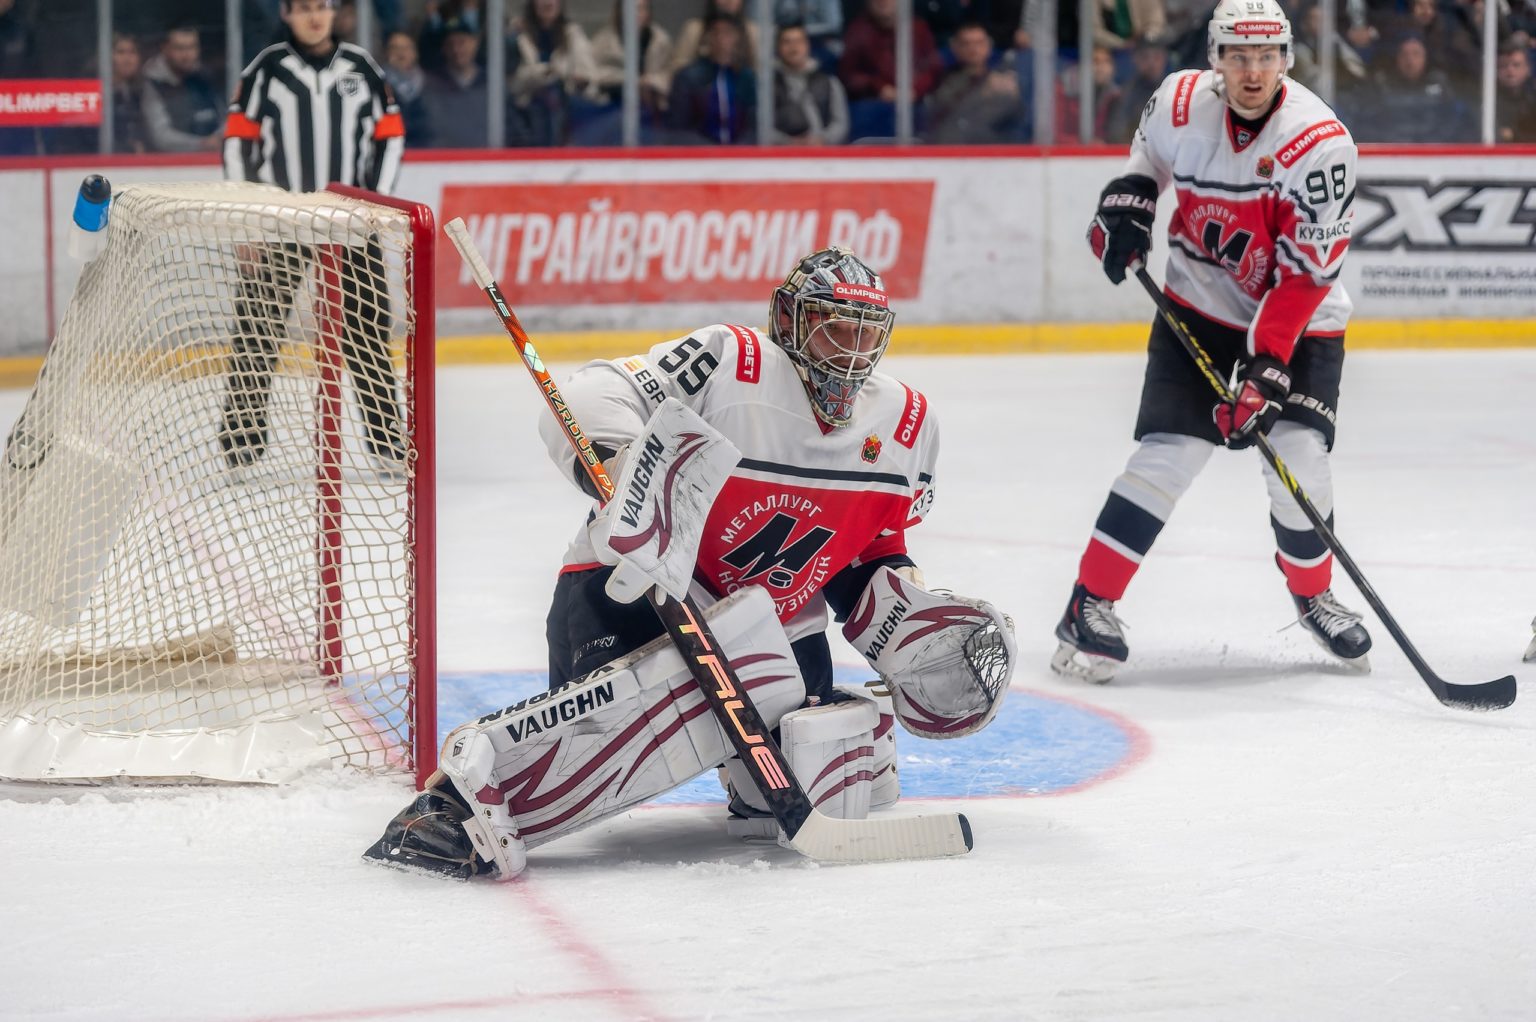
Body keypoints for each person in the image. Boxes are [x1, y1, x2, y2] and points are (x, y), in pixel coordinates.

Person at [363, 247, 1016, 879]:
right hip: (633, 594)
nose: (848, 350)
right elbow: (593, 395)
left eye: (863, 333)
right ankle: (456, 804)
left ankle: (764, 765)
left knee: (813, 778)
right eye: (830, 329)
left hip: (774, 630)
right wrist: (622, 467)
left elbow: (865, 550)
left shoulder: (907, 423)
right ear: (789, 320)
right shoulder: (733, 361)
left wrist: (901, 618)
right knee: (617, 736)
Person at [1053, 0, 1373, 684]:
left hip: (1300, 316)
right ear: (1215, 60)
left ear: (1286, 60)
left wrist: (1265, 372)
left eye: (1266, 57)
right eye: (1238, 57)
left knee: (1299, 457)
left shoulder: (1320, 144)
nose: (1252, 72)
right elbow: (1147, 163)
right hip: (1198, 304)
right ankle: (1090, 602)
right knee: (1170, 453)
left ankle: (1314, 597)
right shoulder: (1176, 104)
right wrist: (1128, 205)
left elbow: (1304, 277)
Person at [220, 0, 407, 473]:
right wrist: (250, 217)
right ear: (286, 14)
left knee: (367, 329)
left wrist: (377, 200)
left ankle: (387, 445)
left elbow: (390, 132)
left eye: (320, 5)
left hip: (351, 220)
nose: (313, 16)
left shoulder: (361, 67)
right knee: (257, 327)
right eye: (302, 7)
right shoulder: (268, 69)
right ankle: (242, 446)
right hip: (284, 219)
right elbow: (238, 139)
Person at [924, 21, 1025, 144]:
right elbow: (939, 111)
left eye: (979, 43)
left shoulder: (1002, 81)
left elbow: (1014, 121)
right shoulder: (941, 79)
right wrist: (982, 91)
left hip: (990, 151)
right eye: (966, 44)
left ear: (988, 46)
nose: (973, 49)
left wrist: (1012, 94)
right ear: (955, 47)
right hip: (950, 149)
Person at [666, 13, 758, 143]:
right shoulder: (687, 78)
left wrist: (737, 153)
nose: (721, 39)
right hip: (700, 156)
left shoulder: (748, 78)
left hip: (741, 156)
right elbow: (678, 128)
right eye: (715, 33)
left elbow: (755, 126)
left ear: (738, 37)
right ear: (707, 38)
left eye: (728, 33)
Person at [141, 25, 224, 153]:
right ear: (165, 49)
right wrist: (202, 144)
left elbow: (225, 117)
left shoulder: (205, 77)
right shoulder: (152, 84)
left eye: (192, 47)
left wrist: (219, 138)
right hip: (170, 166)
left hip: (213, 161)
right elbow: (160, 137)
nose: (187, 55)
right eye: (180, 48)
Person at [770, 22, 849, 144]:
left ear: (807, 45)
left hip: (824, 155)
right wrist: (789, 143)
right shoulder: (768, 86)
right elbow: (761, 126)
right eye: (787, 42)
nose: (793, 47)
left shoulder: (829, 82)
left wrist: (822, 140)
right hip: (782, 157)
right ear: (778, 47)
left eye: (798, 41)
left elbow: (840, 124)